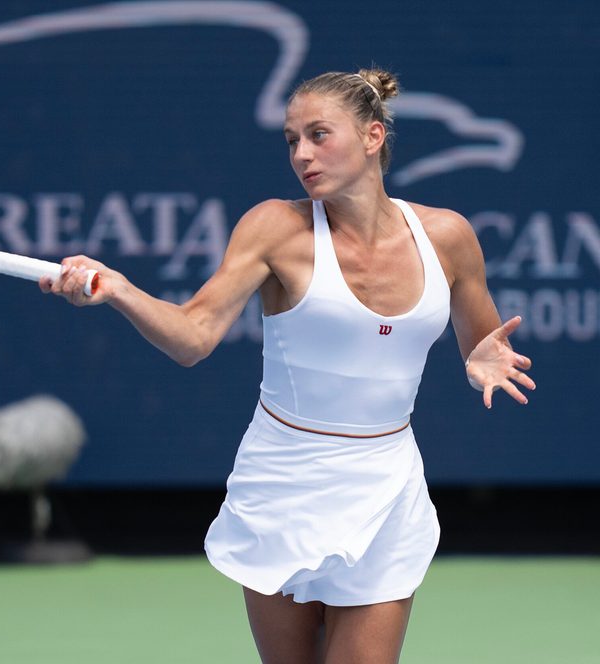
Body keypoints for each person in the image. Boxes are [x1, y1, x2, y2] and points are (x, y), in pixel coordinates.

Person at [39, 68, 535, 663]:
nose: (302, 154)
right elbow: (193, 337)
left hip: (387, 484)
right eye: (292, 140)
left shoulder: (448, 236)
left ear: (373, 136)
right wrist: (120, 290)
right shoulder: (275, 228)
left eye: (319, 135)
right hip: (284, 483)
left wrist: (482, 356)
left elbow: (481, 339)